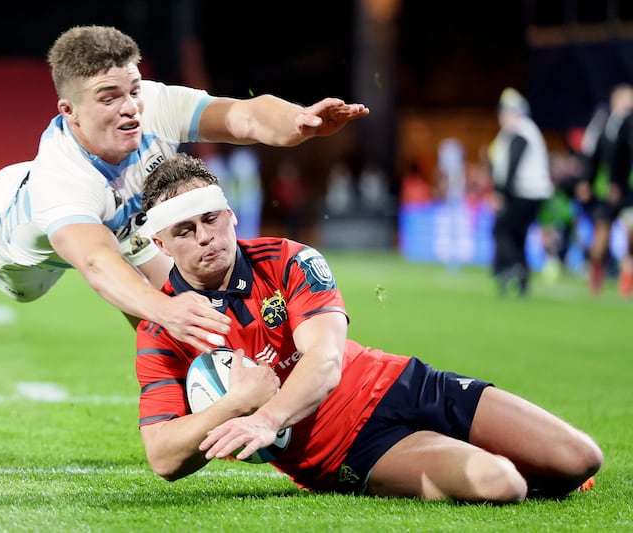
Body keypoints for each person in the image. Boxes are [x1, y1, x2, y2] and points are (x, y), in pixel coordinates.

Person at [134, 153, 602, 503]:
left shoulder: (289, 259)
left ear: (231, 214)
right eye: (184, 230)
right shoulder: (162, 328)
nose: (205, 237)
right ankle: (483, 459)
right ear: (160, 243)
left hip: (403, 383)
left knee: (581, 458)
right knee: (501, 484)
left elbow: (326, 359)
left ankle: (509, 456)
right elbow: (163, 455)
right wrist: (237, 402)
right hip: (349, 452)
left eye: (211, 219)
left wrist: (266, 417)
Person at [0, 25, 369, 353]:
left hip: (129, 227)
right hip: (18, 231)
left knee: (192, 312)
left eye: (133, 90)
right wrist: (163, 311)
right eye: (108, 97)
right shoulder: (61, 182)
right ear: (69, 111)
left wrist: (297, 122)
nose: (130, 109)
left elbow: (244, 115)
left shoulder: (151, 103)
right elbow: (97, 262)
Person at [488, 88, 553, 296]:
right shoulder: (522, 131)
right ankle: (522, 279)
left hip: (525, 192)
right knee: (518, 235)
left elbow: (512, 165)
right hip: (530, 192)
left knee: (501, 229)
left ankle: (512, 266)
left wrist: (501, 193)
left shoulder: (521, 131)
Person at [575, 83, 633, 297]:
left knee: (630, 232)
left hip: (628, 190)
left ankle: (627, 277)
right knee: (602, 232)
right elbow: (591, 154)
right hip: (607, 190)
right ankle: (596, 271)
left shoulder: (630, 124)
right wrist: (586, 181)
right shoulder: (601, 123)